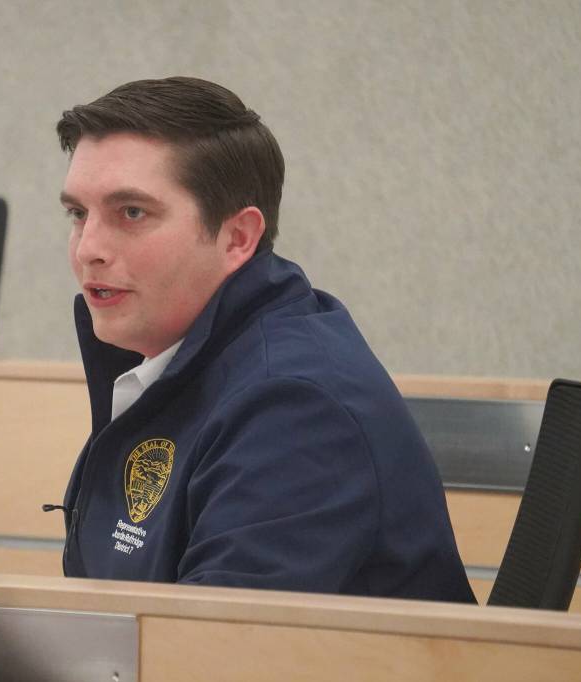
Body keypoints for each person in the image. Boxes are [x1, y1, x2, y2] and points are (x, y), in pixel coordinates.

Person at [52, 76, 476, 602]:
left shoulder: (295, 408)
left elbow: (219, 655)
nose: (87, 247)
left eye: (131, 213)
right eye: (77, 214)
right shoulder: (181, 362)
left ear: (238, 238)